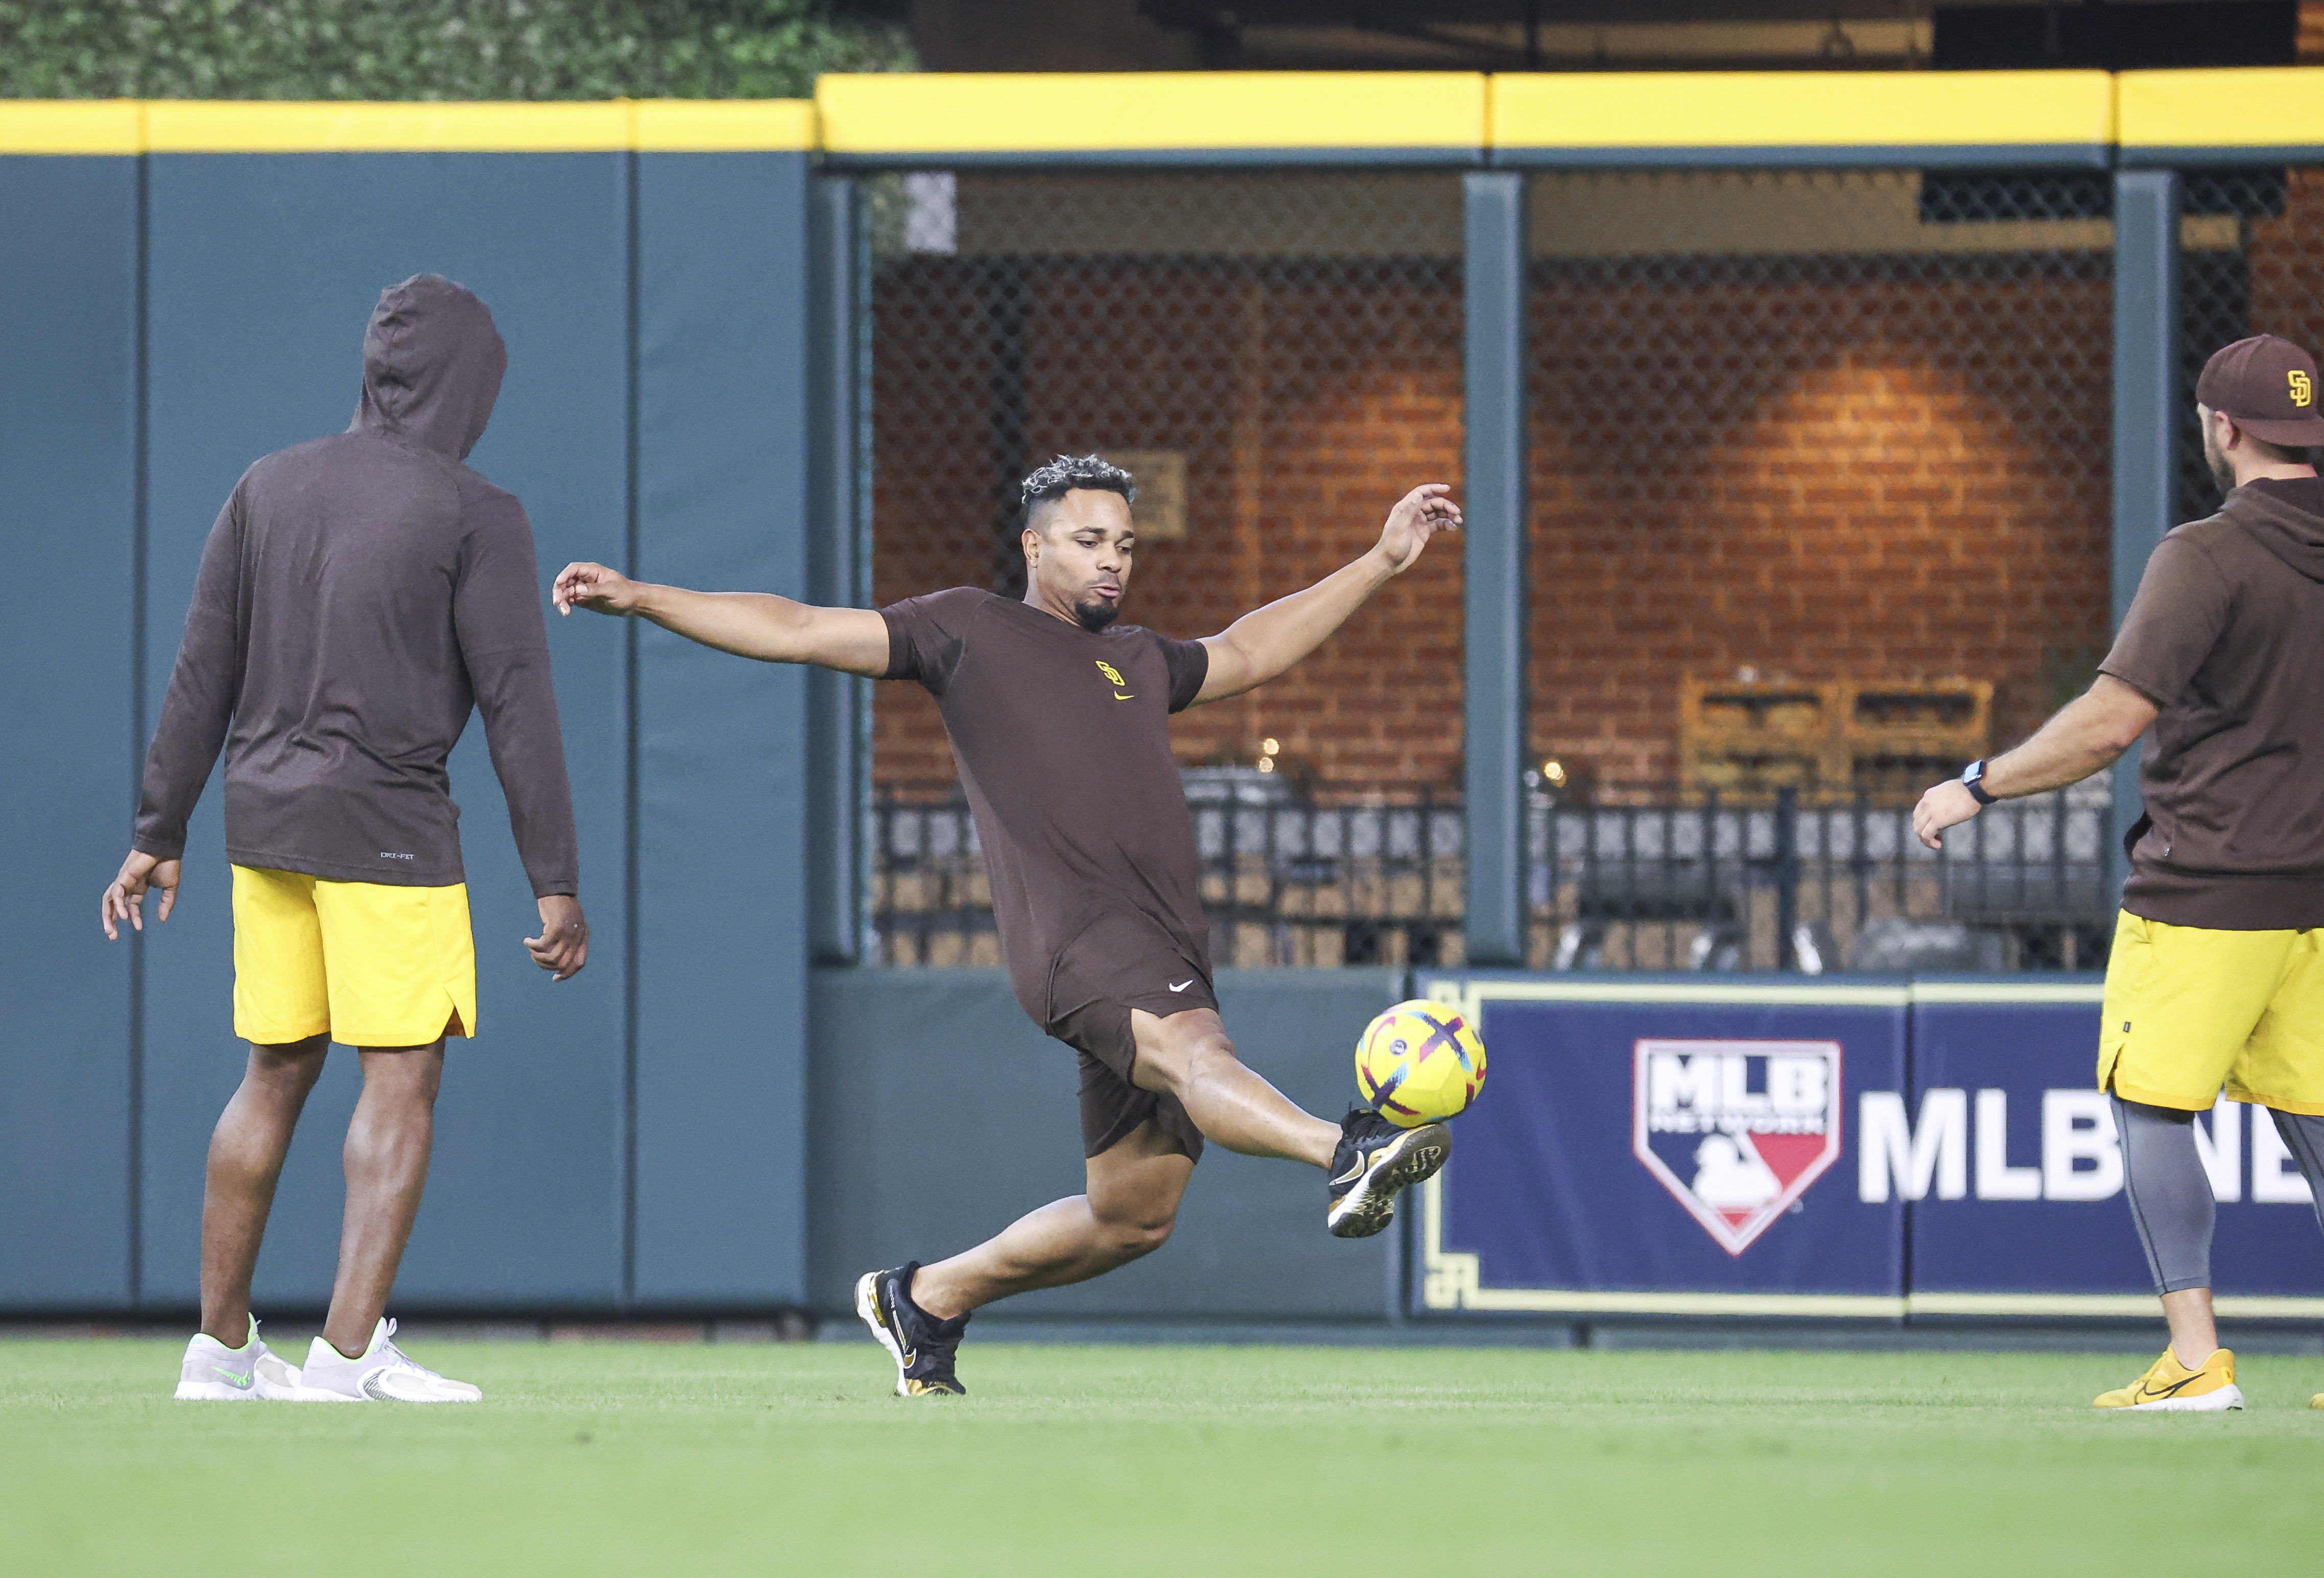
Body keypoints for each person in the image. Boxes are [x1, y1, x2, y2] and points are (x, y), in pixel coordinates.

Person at [553, 454, 1458, 1396]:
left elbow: (1249, 648)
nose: (1113, 561)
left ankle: (926, 1297)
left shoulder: (1140, 658)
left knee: (1133, 1215)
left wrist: (1380, 561)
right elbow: (798, 628)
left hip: (1161, 939)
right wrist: (646, 597)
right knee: (1199, 1053)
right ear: (1033, 545)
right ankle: (1345, 1147)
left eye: (1125, 544)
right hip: (1080, 939)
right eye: (1088, 541)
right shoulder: (967, 630)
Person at [1913, 334, 2324, 1414]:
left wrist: (1977, 785)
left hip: (2208, 888)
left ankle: (2197, 1359)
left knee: (2152, 1106)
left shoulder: (2205, 555)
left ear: (2223, 428)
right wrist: (2320, 787)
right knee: (2319, 1117)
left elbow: (2111, 722)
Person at [104, 275, 589, 1405]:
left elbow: (200, 672)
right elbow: (519, 704)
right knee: (402, 1075)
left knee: (272, 1070)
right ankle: (347, 1353)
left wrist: (155, 829)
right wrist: (555, 881)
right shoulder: (479, 512)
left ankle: (221, 1353)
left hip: (261, 827)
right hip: (390, 831)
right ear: (471, 384)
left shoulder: (266, 486)